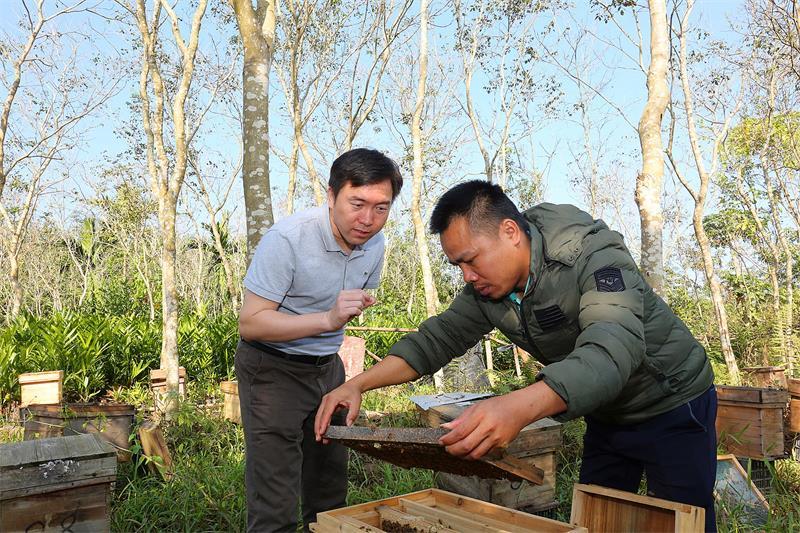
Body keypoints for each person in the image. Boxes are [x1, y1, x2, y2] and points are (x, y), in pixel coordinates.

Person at [315, 180, 717, 532]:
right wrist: (357, 384)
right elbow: (436, 339)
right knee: (596, 521)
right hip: (607, 412)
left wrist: (515, 408)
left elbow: (613, 349)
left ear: (510, 231)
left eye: (471, 259)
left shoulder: (594, 254)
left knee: (682, 521)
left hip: (673, 404)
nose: (467, 276)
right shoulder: (487, 290)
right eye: (458, 266)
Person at [236, 148, 403, 532]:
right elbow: (251, 324)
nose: (367, 220)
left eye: (381, 208)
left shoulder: (376, 244)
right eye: (357, 203)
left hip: (329, 368)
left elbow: (352, 299)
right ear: (331, 195)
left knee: (329, 489)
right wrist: (327, 319)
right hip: (271, 369)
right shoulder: (288, 239)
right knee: (275, 498)